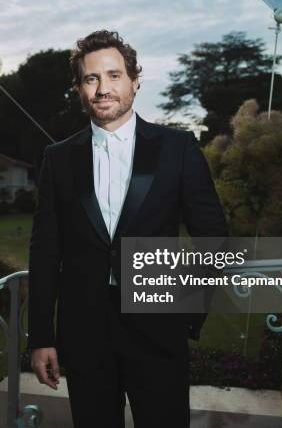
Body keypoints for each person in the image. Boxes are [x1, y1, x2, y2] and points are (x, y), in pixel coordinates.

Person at [27, 30, 228, 427]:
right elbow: (45, 252)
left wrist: (188, 312)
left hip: (159, 333)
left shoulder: (178, 147)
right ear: (79, 89)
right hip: (85, 337)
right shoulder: (58, 158)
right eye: (91, 78)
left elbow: (214, 238)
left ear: (135, 80)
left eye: (114, 75)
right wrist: (40, 338)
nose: (103, 88)